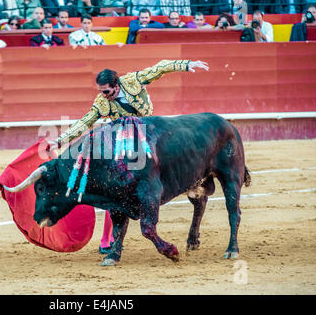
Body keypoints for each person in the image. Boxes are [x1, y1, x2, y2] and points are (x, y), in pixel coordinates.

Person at [46, 59, 210, 254]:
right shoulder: (101, 102)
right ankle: (107, 239)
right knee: (113, 188)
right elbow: (84, 122)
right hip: (124, 140)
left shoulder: (132, 81)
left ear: (116, 86)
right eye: (100, 92)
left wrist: (185, 65)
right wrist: (59, 141)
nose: (103, 96)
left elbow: (159, 68)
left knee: (169, 161)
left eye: (106, 91)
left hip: (149, 129)